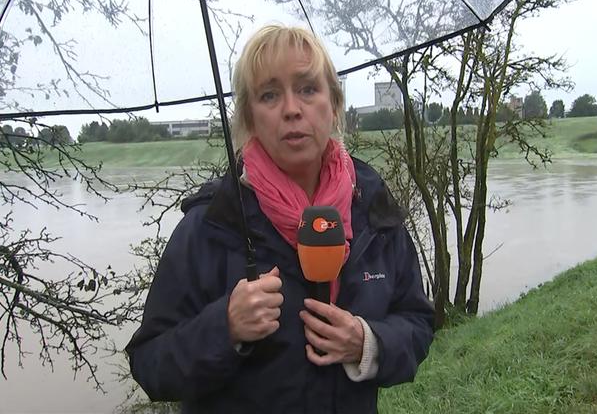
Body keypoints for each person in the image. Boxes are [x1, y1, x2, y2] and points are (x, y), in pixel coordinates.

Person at [125, 24, 434, 414]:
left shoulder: (373, 210)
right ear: (250, 117)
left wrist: (367, 343)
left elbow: (418, 323)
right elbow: (150, 363)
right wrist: (225, 326)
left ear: (334, 104)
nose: (291, 109)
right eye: (269, 95)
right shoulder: (212, 223)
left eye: (307, 88)